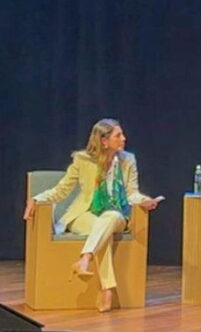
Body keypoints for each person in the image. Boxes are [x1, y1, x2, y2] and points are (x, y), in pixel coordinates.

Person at [23, 118, 161, 312]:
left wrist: (144, 200)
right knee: (102, 232)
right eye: (118, 135)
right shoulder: (83, 160)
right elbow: (62, 190)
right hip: (85, 215)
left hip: (117, 215)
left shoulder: (127, 160)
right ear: (104, 141)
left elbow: (132, 193)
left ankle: (85, 259)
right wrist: (37, 198)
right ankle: (107, 289)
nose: (124, 138)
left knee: (110, 217)